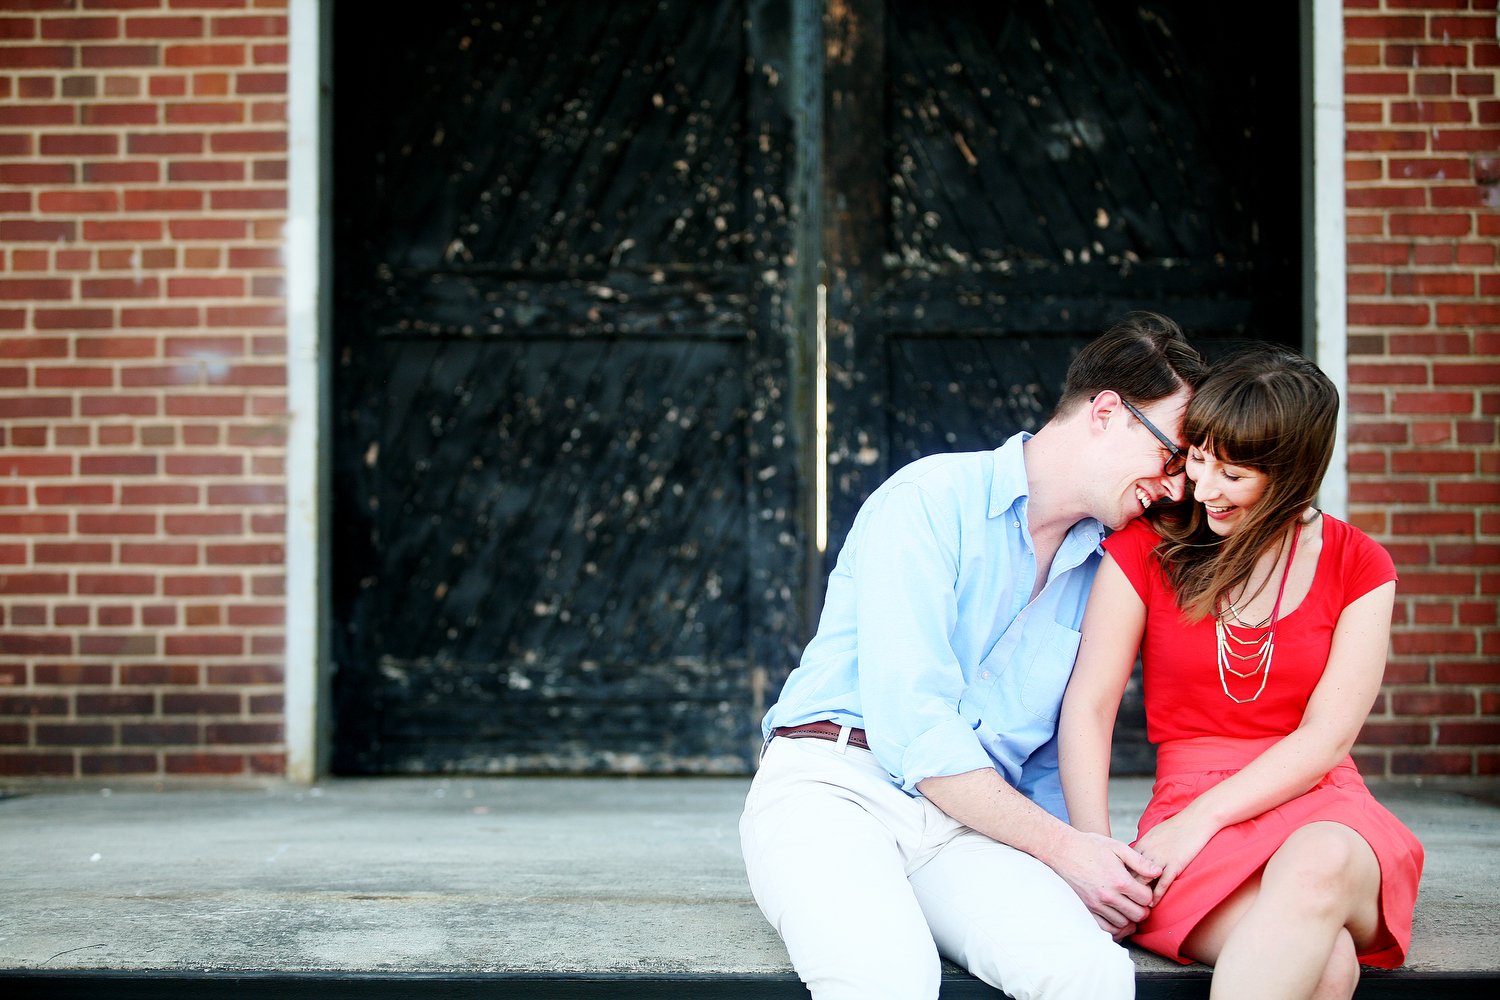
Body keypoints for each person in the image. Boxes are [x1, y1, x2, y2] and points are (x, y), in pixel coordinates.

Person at [740, 313, 1208, 1000]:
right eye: (1172, 457)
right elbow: (917, 728)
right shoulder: (928, 501)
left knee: (1089, 975)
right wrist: (1066, 852)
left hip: (970, 825)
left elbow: (1050, 753)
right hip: (835, 786)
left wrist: (1088, 868)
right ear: (1108, 412)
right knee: (886, 980)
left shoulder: (1099, 570)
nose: (1174, 487)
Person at [1057, 346, 1423, 1000]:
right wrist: (1096, 855)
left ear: (1293, 474)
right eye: (1199, 458)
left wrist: (1203, 820)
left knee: (1321, 858)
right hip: (1185, 800)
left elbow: (1327, 738)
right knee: (1329, 964)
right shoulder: (1147, 547)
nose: (1203, 488)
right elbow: (1091, 704)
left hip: (1320, 799)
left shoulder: (1360, 564)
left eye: (1234, 474)